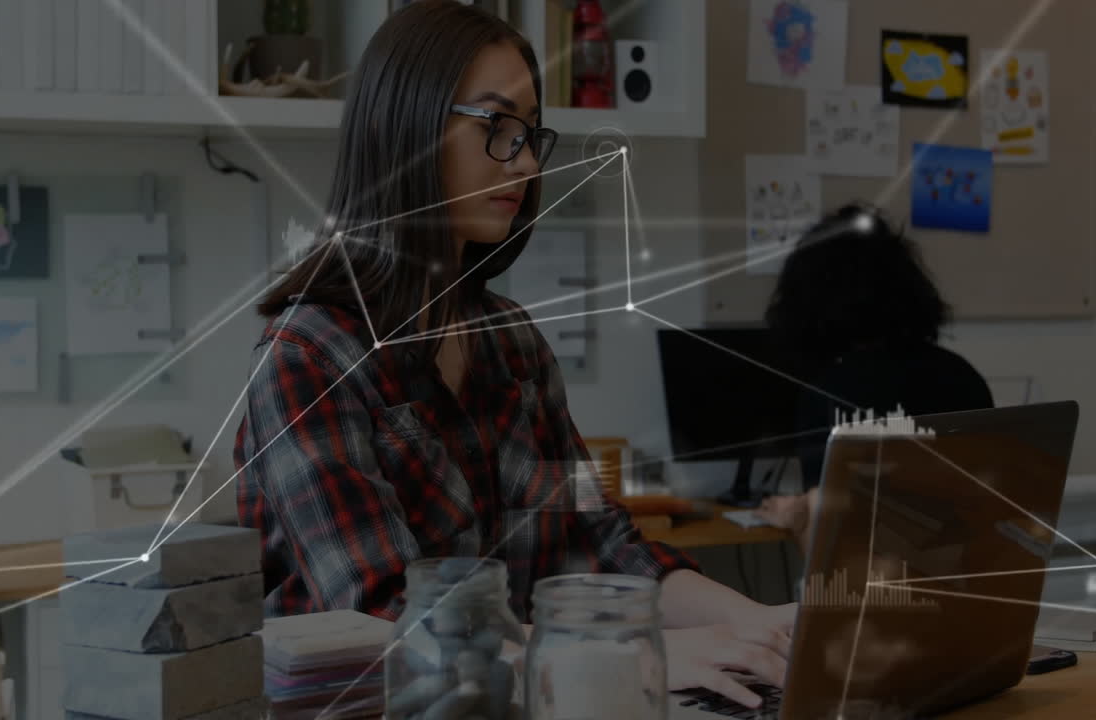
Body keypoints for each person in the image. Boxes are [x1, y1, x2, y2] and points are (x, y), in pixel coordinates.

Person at [232, 1, 791, 708]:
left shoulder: (513, 340)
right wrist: (639, 649)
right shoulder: (305, 355)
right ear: (404, 130)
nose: (525, 161)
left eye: (529, 134)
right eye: (497, 126)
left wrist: (761, 624)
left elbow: (601, 537)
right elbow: (394, 623)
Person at [754, 203, 994, 540]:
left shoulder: (826, 393)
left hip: (876, 588)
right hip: (974, 580)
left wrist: (797, 520)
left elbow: (828, 554)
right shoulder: (963, 377)